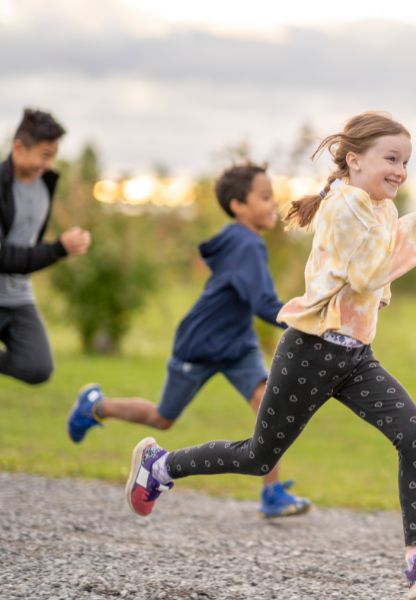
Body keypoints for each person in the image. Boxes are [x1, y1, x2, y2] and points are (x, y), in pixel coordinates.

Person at [123, 112, 416, 600]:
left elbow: (375, 284)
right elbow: (367, 274)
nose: (400, 171)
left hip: (355, 357)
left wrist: (390, 268)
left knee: (414, 432)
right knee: (258, 456)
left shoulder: (382, 208)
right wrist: (413, 243)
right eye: (391, 159)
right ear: (355, 160)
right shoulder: (345, 205)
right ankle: (159, 467)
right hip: (312, 351)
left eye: (405, 162)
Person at [67, 162, 310, 519]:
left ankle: (272, 493)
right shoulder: (245, 244)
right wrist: (308, 317)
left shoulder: (245, 241)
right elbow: (263, 303)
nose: (273, 202)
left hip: (237, 345)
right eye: (264, 196)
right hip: (201, 345)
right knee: (161, 418)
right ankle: (95, 406)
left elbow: (253, 299)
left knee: (265, 403)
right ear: (238, 205)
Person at [1, 108, 91, 384]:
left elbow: (29, 242)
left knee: (37, 367)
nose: (50, 163)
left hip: (18, 297)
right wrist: (58, 249)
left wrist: (65, 246)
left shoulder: (44, 186)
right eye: (45, 155)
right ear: (19, 148)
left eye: (53, 155)